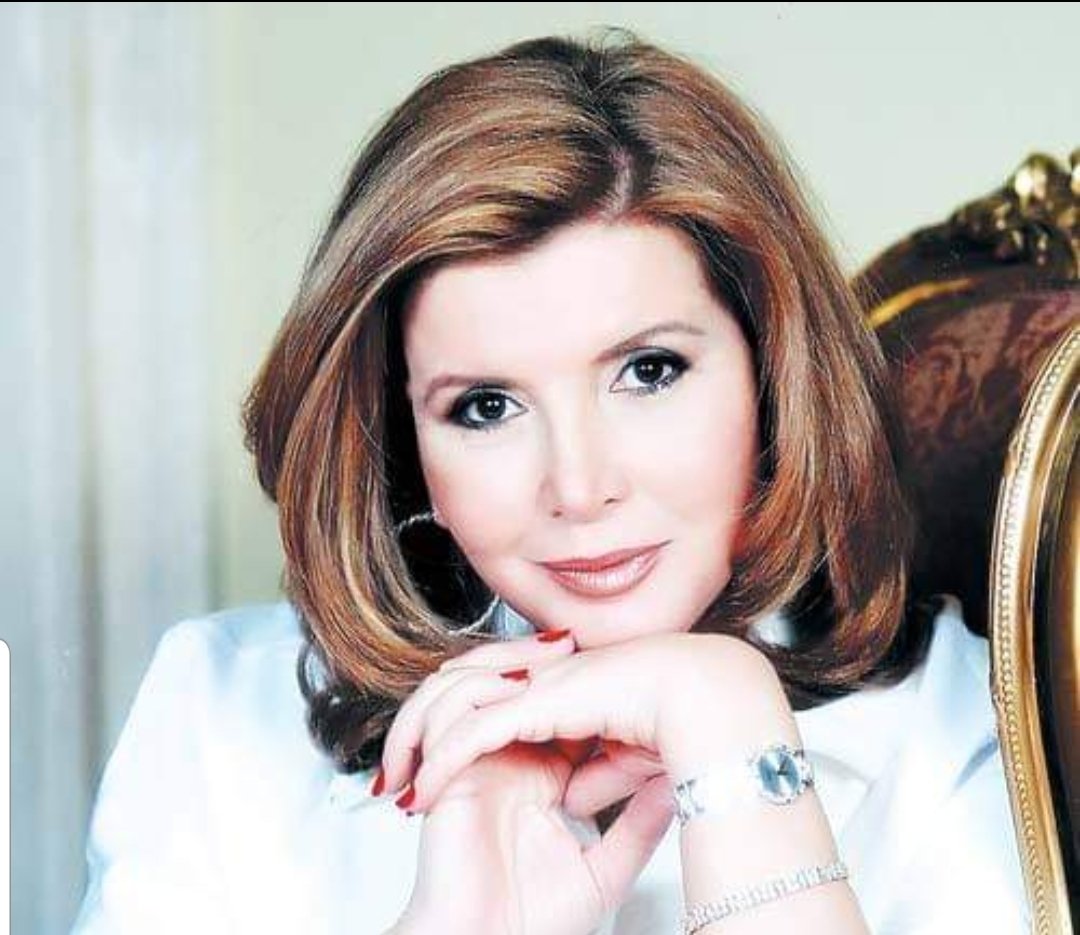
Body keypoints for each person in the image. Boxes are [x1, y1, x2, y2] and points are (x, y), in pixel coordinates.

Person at [70, 31, 1030, 935]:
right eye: (486, 406)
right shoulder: (218, 716)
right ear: (405, 449)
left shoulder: (958, 724)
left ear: (773, 376)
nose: (578, 485)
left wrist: (734, 739)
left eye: (648, 370)